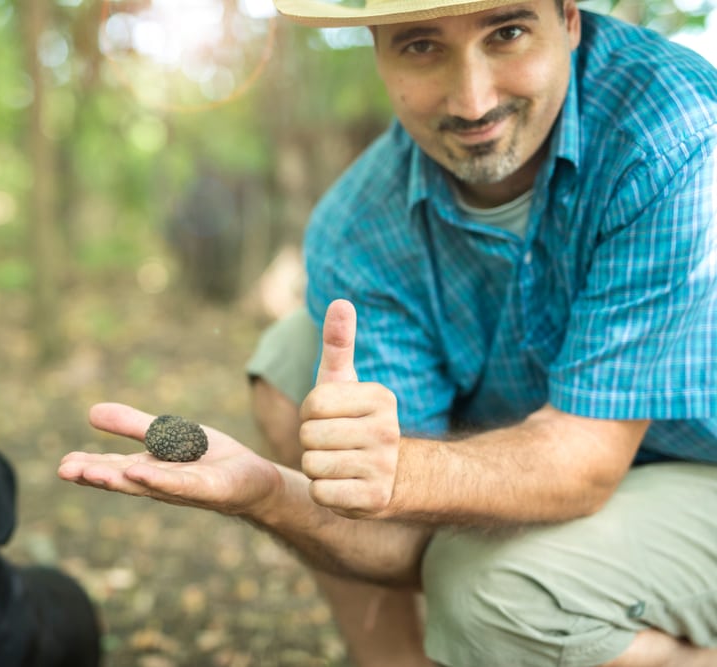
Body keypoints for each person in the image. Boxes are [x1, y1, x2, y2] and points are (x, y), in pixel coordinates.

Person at [59, 0, 717, 664]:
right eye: (422, 46)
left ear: (570, 20)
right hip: (554, 444)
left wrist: (398, 470)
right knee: (296, 356)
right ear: (376, 48)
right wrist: (270, 492)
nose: (472, 98)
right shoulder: (357, 224)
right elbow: (403, 542)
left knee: (488, 592)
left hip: (697, 459)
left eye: (507, 32)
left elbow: (585, 462)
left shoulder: (667, 125)